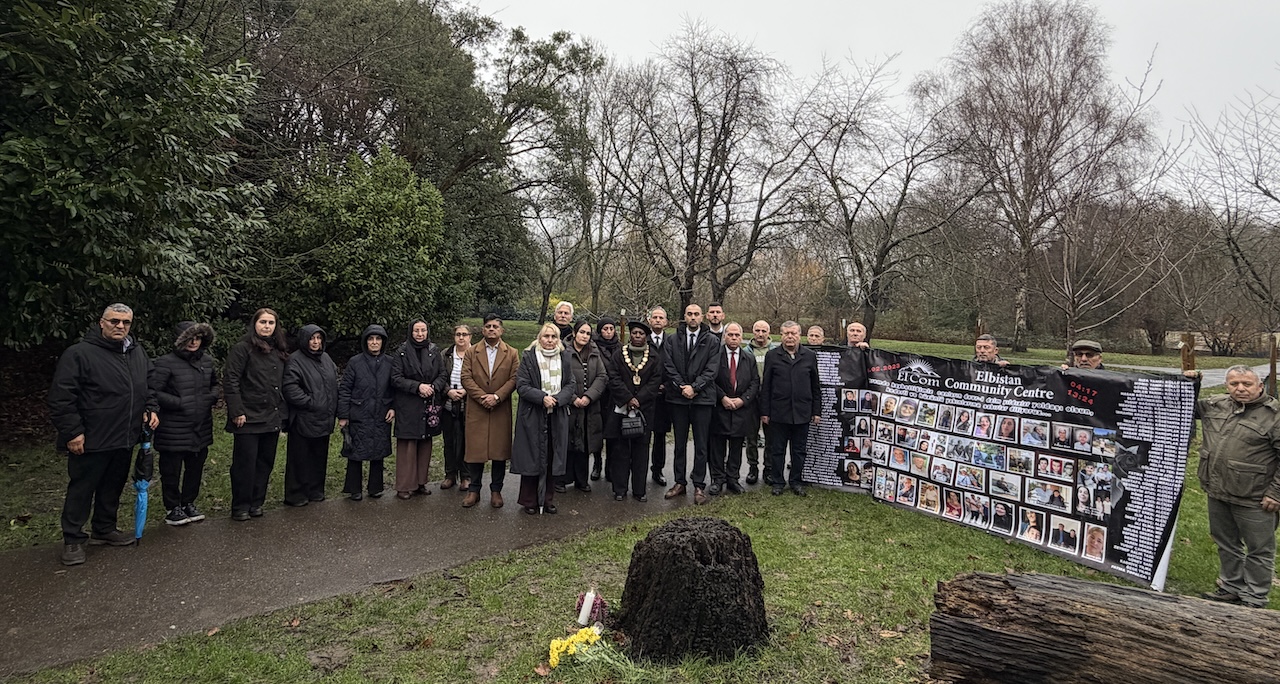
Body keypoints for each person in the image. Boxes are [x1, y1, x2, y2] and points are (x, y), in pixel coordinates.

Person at [48, 304, 160, 565]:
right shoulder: (79, 354)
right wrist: (72, 432)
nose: (120, 326)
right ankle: (73, 539)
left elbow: (149, 384)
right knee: (82, 488)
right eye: (114, 321)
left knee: (113, 485)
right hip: (92, 437)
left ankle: (104, 528)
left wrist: (151, 407)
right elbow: (61, 397)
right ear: (101, 323)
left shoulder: (136, 352)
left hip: (125, 436)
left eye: (126, 322)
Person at [1194, 365, 1280, 608]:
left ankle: (1255, 597)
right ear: (1227, 385)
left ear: (1260, 386)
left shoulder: (1274, 416)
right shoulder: (1216, 405)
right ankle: (1231, 586)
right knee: (1226, 542)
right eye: (1234, 384)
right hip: (1217, 490)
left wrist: (1276, 493)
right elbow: (1181, 404)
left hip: (1255, 497)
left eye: (1247, 384)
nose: (1240, 388)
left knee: (1259, 549)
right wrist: (1190, 382)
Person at [224, 308, 289, 522]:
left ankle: (256, 503)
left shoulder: (278, 351)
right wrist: (237, 411)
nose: (267, 326)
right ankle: (240, 506)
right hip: (248, 417)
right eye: (263, 322)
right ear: (255, 324)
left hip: (272, 416)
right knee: (245, 464)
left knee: (265, 462)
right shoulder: (242, 349)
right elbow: (231, 379)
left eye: (271, 323)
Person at [150, 322, 219, 526]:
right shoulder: (165, 363)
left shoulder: (207, 362)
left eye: (197, 338)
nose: (193, 342)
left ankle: (188, 502)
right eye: (189, 338)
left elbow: (215, 385)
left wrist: (211, 398)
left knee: (195, 468)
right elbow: (154, 391)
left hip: (201, 426)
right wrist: (179, 403)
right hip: (173, 428)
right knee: (171, 470)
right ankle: (172, 507)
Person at [511, 324, 576, 515]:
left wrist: (558, 399)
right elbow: (522, 385)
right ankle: (529, 500)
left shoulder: (564, 357)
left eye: (554, 336)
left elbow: (570, 384)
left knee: (551, 457)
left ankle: (547, 499)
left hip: (556, 414)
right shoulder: (529, 357)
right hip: (533, 414)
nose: (550, 340)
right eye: (546, 336)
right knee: (532, 457)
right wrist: (542, 398)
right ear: (540, 338)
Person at [662, 303, 721, 504]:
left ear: (702, 317)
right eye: (689, 314)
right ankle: (679, 482)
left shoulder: (712, 341)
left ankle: (699, 485)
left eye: (696, 314)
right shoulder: (672, 339)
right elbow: (669, 366)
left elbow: (712, 369)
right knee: (679, 443)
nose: (693, 317)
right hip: (678, 399)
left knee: (701, 444)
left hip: (702, 399)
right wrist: (682, 387)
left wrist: (695, 388)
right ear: (684, 316)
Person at [460, 314, 520, 509]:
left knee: (499, 451)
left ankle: (496, 490)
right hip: (477, 408)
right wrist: (482, 397)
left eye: (495, 326)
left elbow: (514, 378)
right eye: (488, 326)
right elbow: (465, 377)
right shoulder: (472, 352)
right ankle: (474, 490)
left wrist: (496, 396)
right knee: (475, 450)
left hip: (500, 408)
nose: (491, 329)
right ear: (482, 330)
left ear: (502, 330)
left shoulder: (512, 353)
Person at [604, 320, 664, 501]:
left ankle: (639, 490)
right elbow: (613, 377)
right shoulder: (619, 355)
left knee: (641, 451)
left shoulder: (654, 357)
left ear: (646, 336)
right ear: (630, 335)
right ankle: (620, 489)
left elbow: (655, 382)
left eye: (641, 333)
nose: (638, 336)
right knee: (620, 450)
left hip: (644, 410)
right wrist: (628, 398)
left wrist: (639, 400)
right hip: (622, 408)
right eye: (635, 333)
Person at [760, 321, 822, 496]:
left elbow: (815, 386)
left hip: (802, 412)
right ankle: (778, 482)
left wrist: (816, 411)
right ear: (781, 335)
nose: (790, 336)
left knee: (799, 450)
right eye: (786, 333)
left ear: (799, 335)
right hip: (779, 412)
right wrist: (765, 412)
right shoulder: (772, 355)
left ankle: (796, 481)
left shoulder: (809, 356)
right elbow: (766, 386)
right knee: (777, 450)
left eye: (793, 333)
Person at [282, 324, 338, 507]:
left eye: (318, 338)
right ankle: (296, 494)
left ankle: (315, 490)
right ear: (304, 340)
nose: (315, 342)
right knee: (299, 458)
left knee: (319, 457)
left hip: (324, 418)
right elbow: (290, 388)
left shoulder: (326, 358)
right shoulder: (295, 360)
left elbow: (333, 382)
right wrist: (311, 402)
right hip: (303, 418)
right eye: (312, 338)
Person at [390, 319, 446, 500]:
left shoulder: (433, 350)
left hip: (428, 404)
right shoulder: (401, 352)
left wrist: (433, 387)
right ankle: (405, 486)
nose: (420, 334)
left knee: (425, 444)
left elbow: (442, 374)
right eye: (416, 331)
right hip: (408, 404)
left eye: (423, 330)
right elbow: (396, 378)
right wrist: (417, 387)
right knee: (408, 446)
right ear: (411, 332)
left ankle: (421, 482)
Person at [337, 325, 394, 501]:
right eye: (371, 339)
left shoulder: (390, 362)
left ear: (383, 342)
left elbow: (394, 388)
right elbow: (345, 389)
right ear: (365, 342)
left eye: (378, 339)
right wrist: (343, 415)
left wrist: (393, 407)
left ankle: (375, 487)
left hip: (381, 413)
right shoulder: (355, 362)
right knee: (355, 452)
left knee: (378, 451)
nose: (374, 342)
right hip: (359, 413)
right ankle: (354, 488)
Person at [709, 323, 759, 497]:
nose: (734, 338)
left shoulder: (749, 358)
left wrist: (743, 400)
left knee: (736, 446)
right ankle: (717, 479)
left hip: (740, 409)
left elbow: (755, 382)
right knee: (718, 446)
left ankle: (733, 479)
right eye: (730, 335)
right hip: (720, 407)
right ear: (725, 336)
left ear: (741, 337)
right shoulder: (715, 356)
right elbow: (710, 379)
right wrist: (722, 397)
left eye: (737, 335)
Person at [564, 320, 608, 492]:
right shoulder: (564, 352)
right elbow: (560, 377)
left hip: (589, 406)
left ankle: (582, 480)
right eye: (582, 332)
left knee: (584, 443)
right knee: (568, 442)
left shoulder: (595, 353)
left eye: (588, 333)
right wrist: (573, 398)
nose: (585, 336)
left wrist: (589, 396)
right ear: (574, 333)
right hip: (569, 405)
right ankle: (563, 479)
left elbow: (602, 376)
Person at [439, 325, 473, 491]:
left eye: (464, 334)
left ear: (470, 337)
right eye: (458, 334)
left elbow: (480, 377)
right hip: (449, 403)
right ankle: (450, 474)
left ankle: (466, 476)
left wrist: (466, 391)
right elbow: (439, 376)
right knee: (449, 441)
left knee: (466, 441)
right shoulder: (445, 354)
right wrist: (448, 391)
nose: (461, 337)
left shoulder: (476, 354)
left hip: (469, 404)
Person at [745, 320, 778, 485]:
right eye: (757, 330)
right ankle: (753, 468)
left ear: (768, 332)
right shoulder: (746, 351)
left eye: (764, 331)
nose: (760, 334)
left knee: (771, 437)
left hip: (770, 400)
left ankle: (768, 468)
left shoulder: (776, 351)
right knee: (751, 437)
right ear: (753, 332)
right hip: (752, 399)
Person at [589, 316, 620, 482]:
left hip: (614, 396)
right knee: (598, 431)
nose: (608, 332)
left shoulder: (620, 347)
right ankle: (597, 464)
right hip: (599, 394)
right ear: (599, 331)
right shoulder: (594, 347)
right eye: (605, 329)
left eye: (611, 329)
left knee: (613, 431)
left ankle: (610, 466)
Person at [646, 306, 672, 486]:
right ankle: (638, 470)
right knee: (642, 435)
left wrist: (666, 385)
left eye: (661, 318)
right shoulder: (642, 339)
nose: (657, 320)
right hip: (645, 396)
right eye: (654, 317)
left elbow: (676, 366)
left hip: (664, 396)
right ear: (649, 320)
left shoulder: (671, 342)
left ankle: (658, 470)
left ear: (666, 322)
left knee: (660, 436)